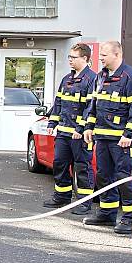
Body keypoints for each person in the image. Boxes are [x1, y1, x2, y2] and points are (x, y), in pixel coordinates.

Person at [83, 41, 132, 234]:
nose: (100, 58)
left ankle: (129, 217)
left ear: (117, 55)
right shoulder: (100, 76)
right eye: (100, 55)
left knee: (124, 178)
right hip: (102, 137)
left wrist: (129, 133)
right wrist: (89, 126)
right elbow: (94, 104)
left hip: (121, 139)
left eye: (104, 54)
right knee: (104, 175)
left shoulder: (131, 76)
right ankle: (107, 213)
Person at [42, 43, 96, 215]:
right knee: (59, 164)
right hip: (64, 132)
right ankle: (62, 196)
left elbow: (90, 107)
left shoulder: (92, 80)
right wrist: (52, 123)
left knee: (82, 167)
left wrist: (81, 128)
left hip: (79, 135)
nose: (70, 61)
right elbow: (58, 103)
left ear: (85, 59)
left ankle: (84, 202)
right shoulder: (67, 79)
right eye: (69, 57)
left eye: (74, 57)